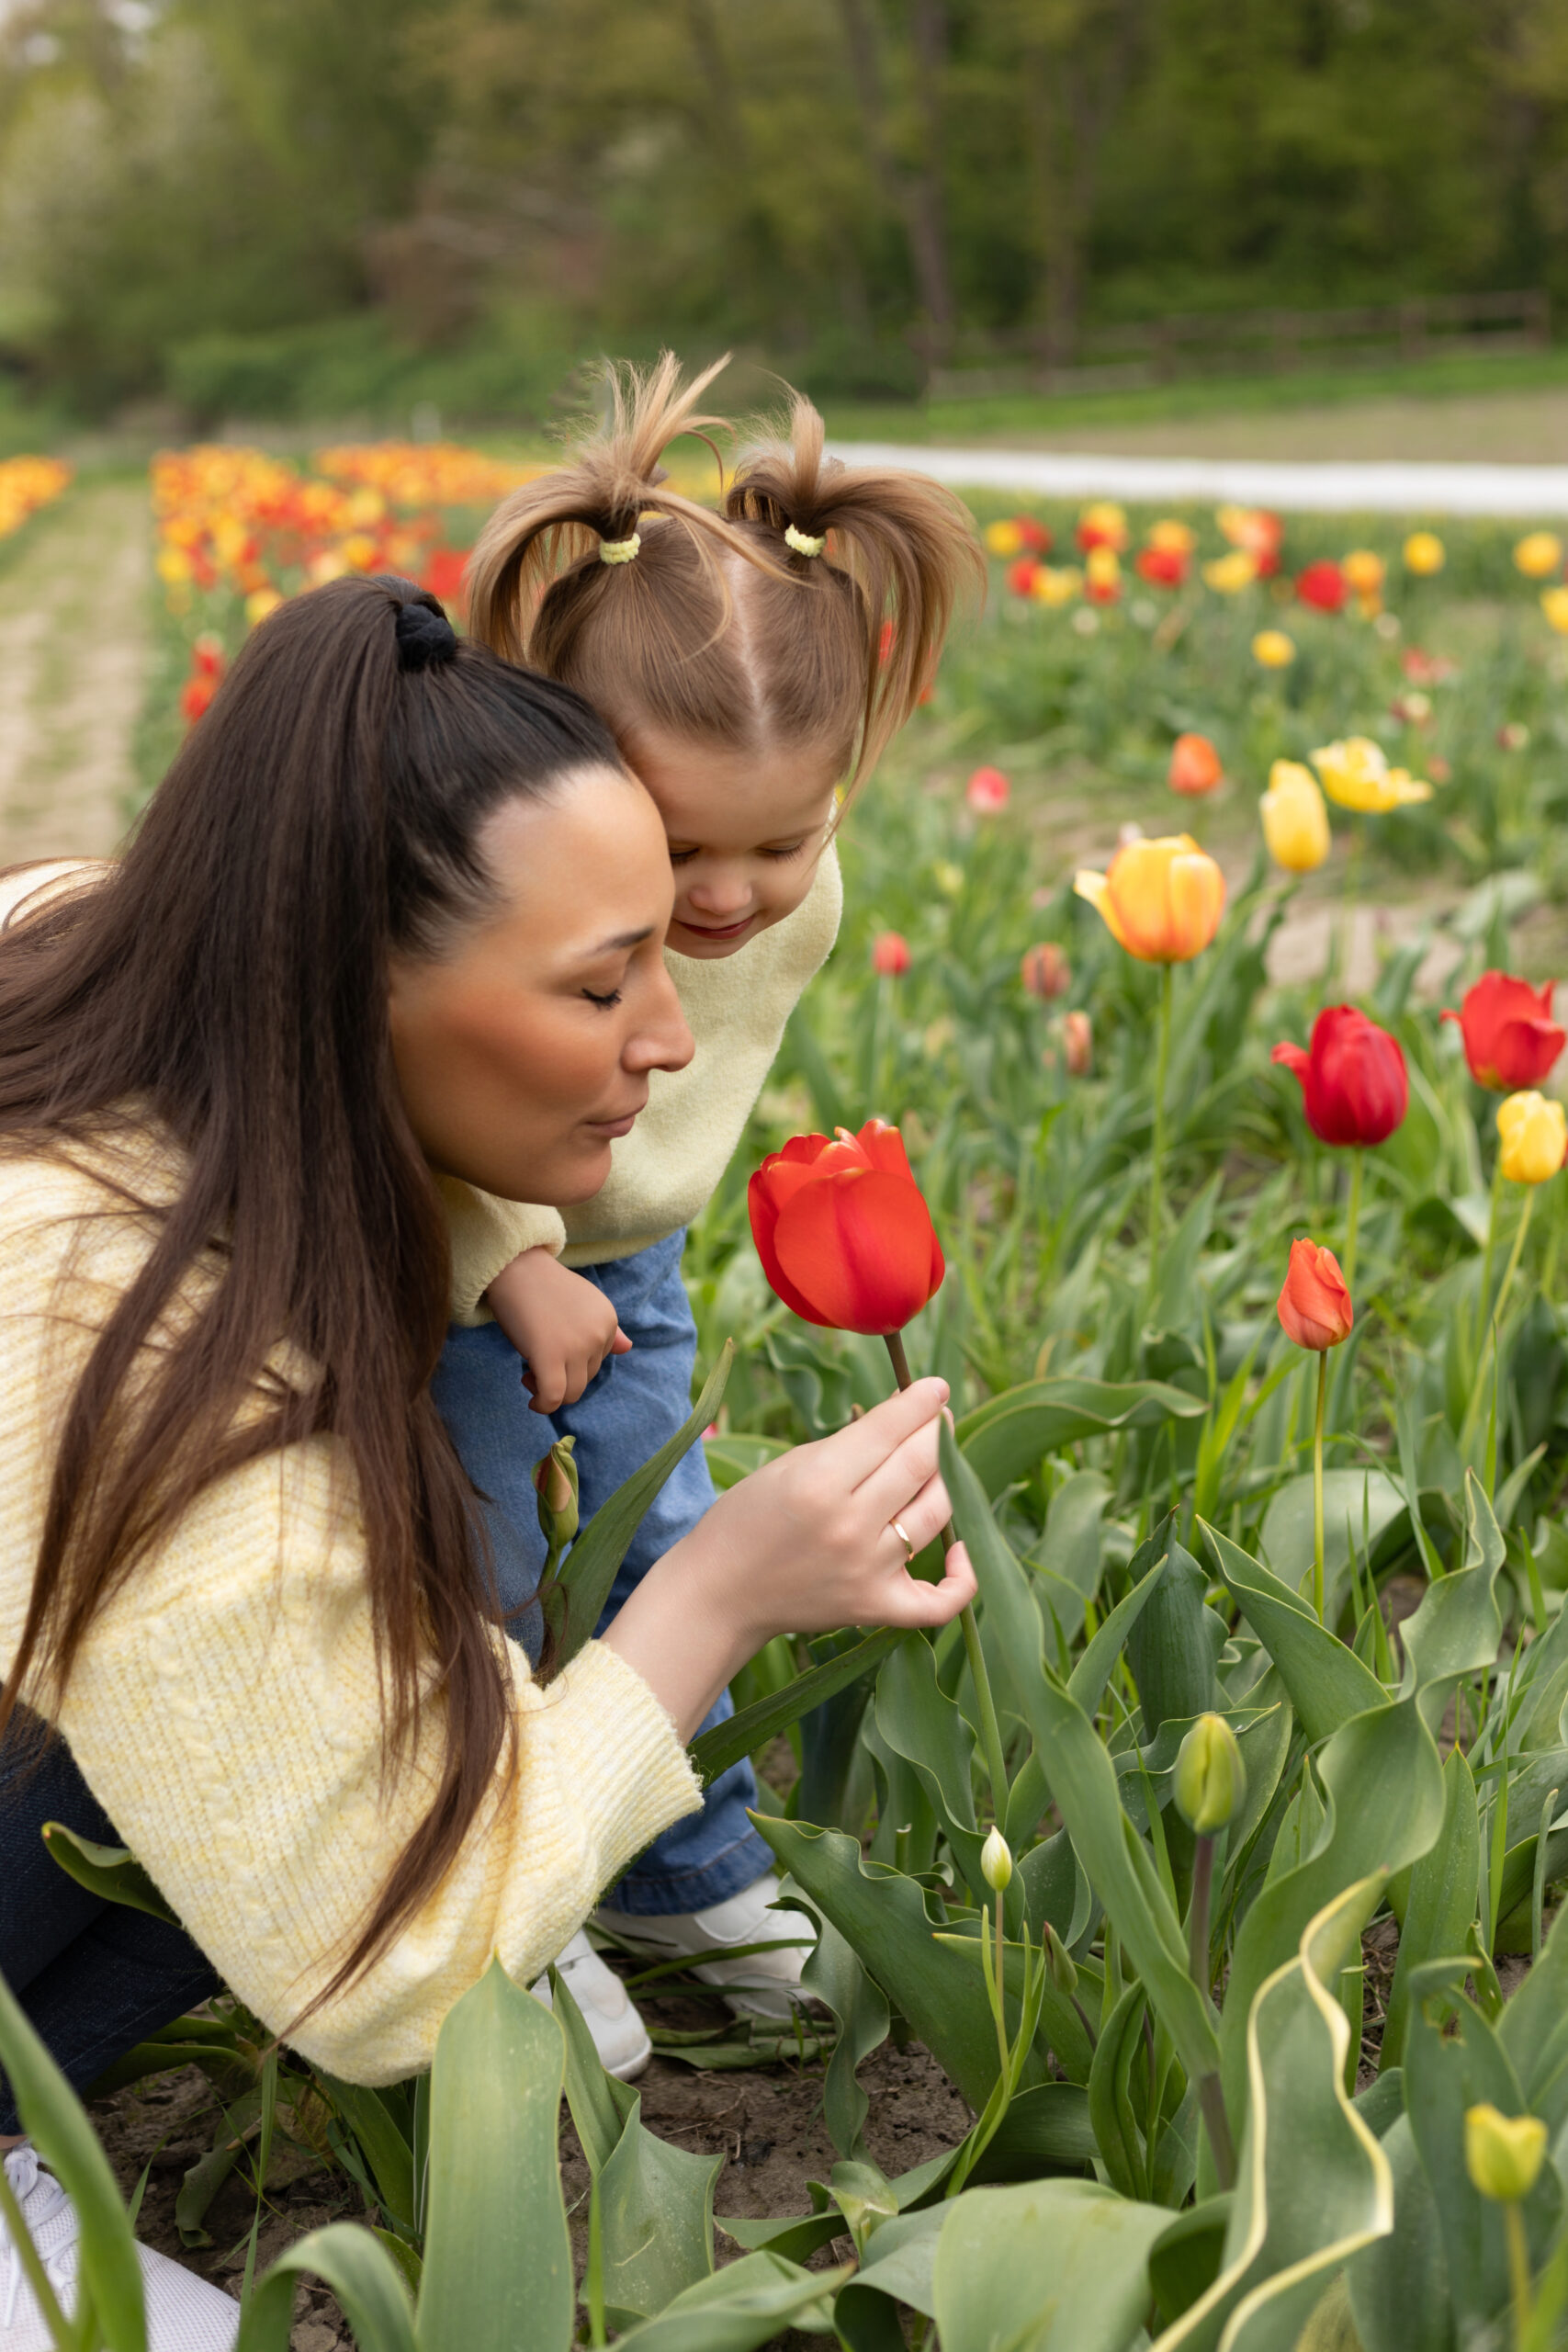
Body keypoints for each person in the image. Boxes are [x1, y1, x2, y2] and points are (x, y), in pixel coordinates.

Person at [0, 575, 976, 2350]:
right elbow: (387, 1965)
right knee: (307, 1736)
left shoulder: (93, 952)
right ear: (351, 985)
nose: (675, 1042)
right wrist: (713, 1599)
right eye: (606, 983)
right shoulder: (140, 1351)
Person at [430, 357, 983, 2066]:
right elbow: (371, 1108)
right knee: (489, 1576)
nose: (734, 897)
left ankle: (684, 1871)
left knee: (675, 1547)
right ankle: (491, 1924)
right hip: (440, 1262)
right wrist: (510, 1268)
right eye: (684, 855)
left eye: (788, 838)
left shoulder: (790, 897)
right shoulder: (485, 883)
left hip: (629, 1261)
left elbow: (690, 1077)